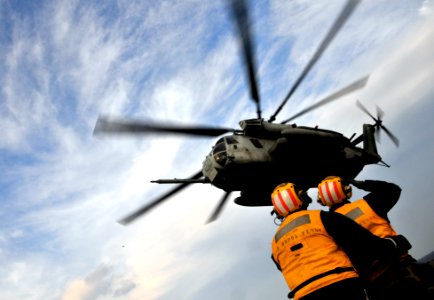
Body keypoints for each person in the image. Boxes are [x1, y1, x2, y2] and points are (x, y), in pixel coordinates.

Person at [270, 182, 409, 300]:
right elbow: (368, 245)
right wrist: (395, 243)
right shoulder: (322, 218)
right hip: (341, 286)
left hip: (303, 295)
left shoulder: (275, 243)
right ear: (300, 198)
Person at [317, 176, 434, 300]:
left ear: (322, 200)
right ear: (347, 190)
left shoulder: (326, 224)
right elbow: (392, 189)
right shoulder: (370, 203)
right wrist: (360, 183)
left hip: (375, 283)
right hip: (403, 268)